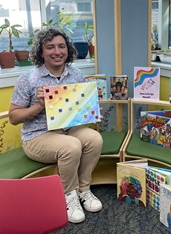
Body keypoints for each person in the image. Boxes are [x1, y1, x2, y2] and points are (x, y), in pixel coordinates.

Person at [8, 28, 103, 224]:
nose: (57, 51)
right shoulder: (28, 78)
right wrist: (38, 105)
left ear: (68, 49)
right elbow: (14, 118)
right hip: (38, 135)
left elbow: (77, 109)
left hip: (68, 129)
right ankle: (69, 196)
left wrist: (90, 109)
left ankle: (84, 190)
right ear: (41, 52)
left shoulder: (75, 74)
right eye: (50, 47)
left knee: (94, 138)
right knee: (71, 145)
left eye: (61, 46)